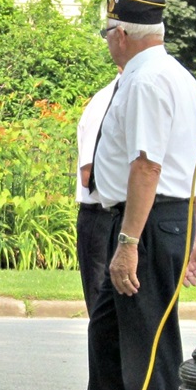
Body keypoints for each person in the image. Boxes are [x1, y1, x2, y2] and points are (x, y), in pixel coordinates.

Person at [82, 0, 196, 390]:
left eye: (108, 33)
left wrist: (128, 242)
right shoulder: (180, 76)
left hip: (148, 223)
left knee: (146, 345)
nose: (108, 41)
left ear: (122, 34)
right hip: (167, 220)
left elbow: (148, 165)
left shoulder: (146, 79)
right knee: (108, 332)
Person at [75, 73, 120, 316]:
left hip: (119, 215)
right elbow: (88, 173)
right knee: (103, 311)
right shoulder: (105, 102)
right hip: (101, 214)